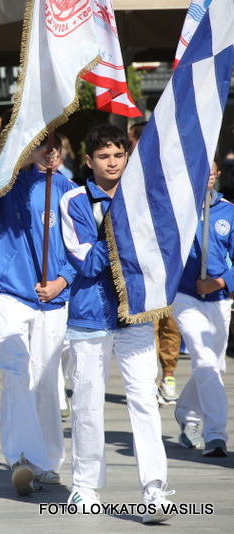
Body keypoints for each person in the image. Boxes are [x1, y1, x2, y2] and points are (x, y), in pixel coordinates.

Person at [59, 124, 174, 522]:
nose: (112, 162)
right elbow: (86, 261)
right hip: (90, 315)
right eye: (103, 156)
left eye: (119, 155)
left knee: (144, 400)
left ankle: (155, 488)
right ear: (88, 161)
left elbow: (160, 249)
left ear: (128, 157)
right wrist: (123, 227)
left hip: (136, 314)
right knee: (87, 402)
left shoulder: (145, 196)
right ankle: (84, 486)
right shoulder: (74, 200)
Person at [0, 135, 77, 495]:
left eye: (51, 148)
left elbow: (82, 246)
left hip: (53, 296)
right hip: (10, 292)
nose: (47, 153)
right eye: (38, 146)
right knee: (15, 372)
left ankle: (47, 460)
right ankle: (21, 456)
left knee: (47, 380)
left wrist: (61, 281)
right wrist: (22, 160)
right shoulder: (3, 181)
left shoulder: (67, 189)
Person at [173, 156, 230, 458]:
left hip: (219, 299)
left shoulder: (229, 212)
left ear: (217, 175)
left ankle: (187, 414)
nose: (206, 176)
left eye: (211, 172)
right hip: (185, 296)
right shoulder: (177, 208)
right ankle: (216, 435)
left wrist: (219, 284)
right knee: (206, 361)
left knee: (213, 366)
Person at [129, 122, 182, 405]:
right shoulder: (126, 174)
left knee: (169, 322)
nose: (128, 148)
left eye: (131, 141)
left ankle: (168, 376)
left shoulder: (170, 170)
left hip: (170, 259)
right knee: (147, 323)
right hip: (140, 261)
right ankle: (147, 382)